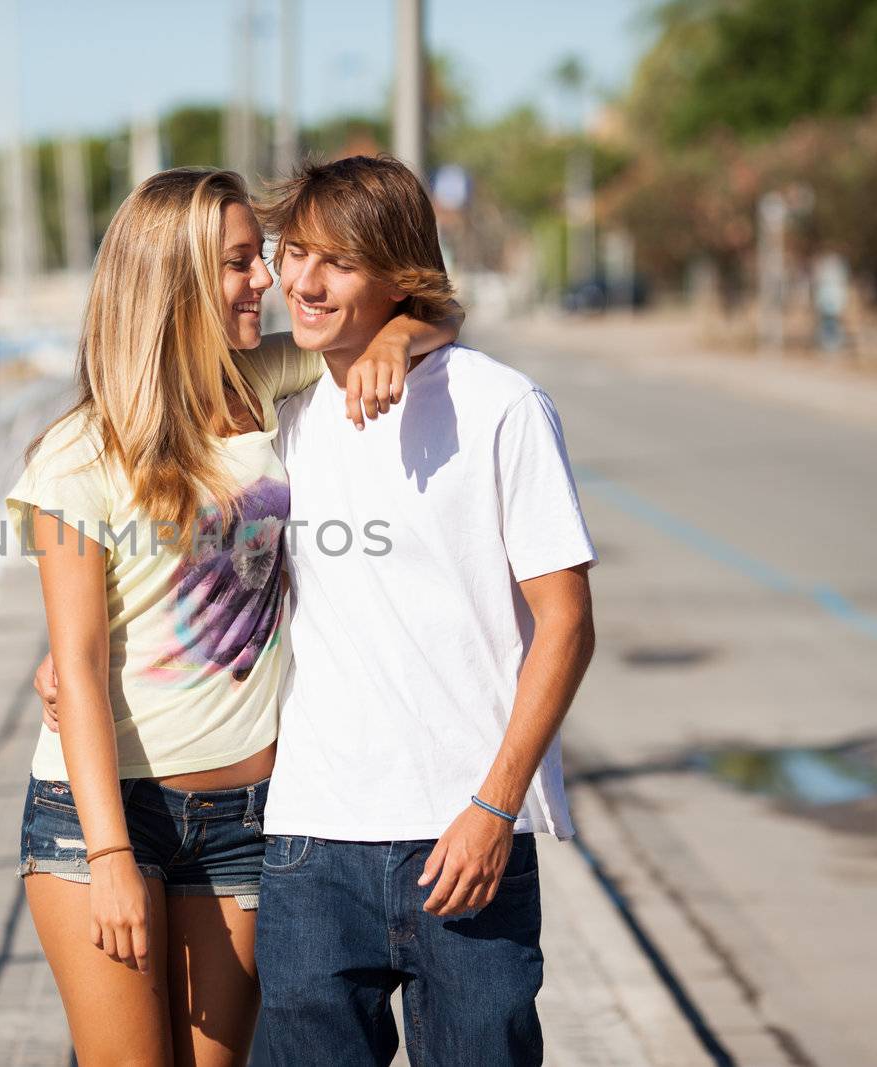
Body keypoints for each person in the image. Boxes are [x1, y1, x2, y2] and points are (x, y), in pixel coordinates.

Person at [4, 166, 459, 1067]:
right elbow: (81, 667)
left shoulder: (261, 382)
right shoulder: (76, 457)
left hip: (250, 818)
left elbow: (440, 310)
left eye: (262, 258)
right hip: (100, 816)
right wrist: (109, 858)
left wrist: (399, 337)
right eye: (241, 263)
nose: (270, 281)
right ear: (171, 284)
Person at [250, 155, 597, 1066]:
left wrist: (496, 804)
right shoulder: (283, 414)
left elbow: (566, 622)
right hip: (310, 846)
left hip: (466, 838)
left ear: (400, 273)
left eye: (338, 261)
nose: (305, 282)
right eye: (295, 254)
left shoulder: (503, 407)